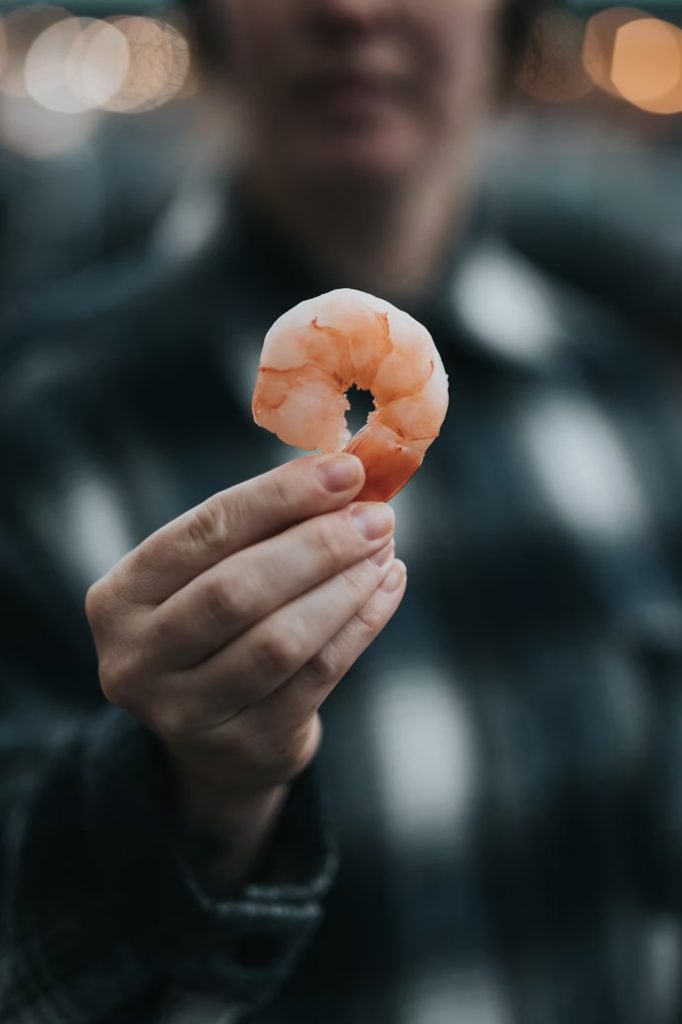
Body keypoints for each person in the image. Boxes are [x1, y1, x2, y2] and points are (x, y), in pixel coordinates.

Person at [1, 1, 682, 1022]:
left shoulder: (623, 393)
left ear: (505, 25)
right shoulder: (39, 425)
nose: (353, 10)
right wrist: (194, 791)